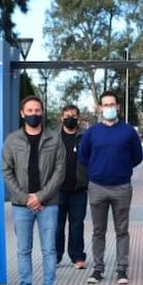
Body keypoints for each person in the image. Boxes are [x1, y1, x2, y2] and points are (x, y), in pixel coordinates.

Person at [1, 96, 66, 285]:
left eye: (37, 110)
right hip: (22, 205)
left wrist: (40, 196)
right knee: (23, 249)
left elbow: (60, 171)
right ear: (22, 113)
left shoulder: (54, 139)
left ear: (42, 112)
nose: (34, 114)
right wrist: (25, 198)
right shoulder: (12, 140)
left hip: (48, 203)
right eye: (29, 110)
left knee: (49, 249)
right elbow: (6, 171)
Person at [77, 91, 143, 285]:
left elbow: (137, 156)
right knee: (98, 231)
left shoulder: (128, 132)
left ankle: (122, 270)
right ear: (100, 108)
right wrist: (97, 170)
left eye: (112, 104)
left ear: (118, 107)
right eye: (106, 105)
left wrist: (121, 167)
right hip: (97, 187)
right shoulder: (91, 133)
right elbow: (83, 157)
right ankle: (98, 269)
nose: (109, 108)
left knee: (122, 230)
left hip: (122, 187)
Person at [56, 104, 88, 269]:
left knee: (77, 224)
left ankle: (77, 256)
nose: (70, 118)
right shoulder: (54, 137)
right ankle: (55, 256)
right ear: (61, 117)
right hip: (57, 190)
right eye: (67, 115)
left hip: (79, 189)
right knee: (57, 225)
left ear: (78, 118)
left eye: (74, 116)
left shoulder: (85, 137)